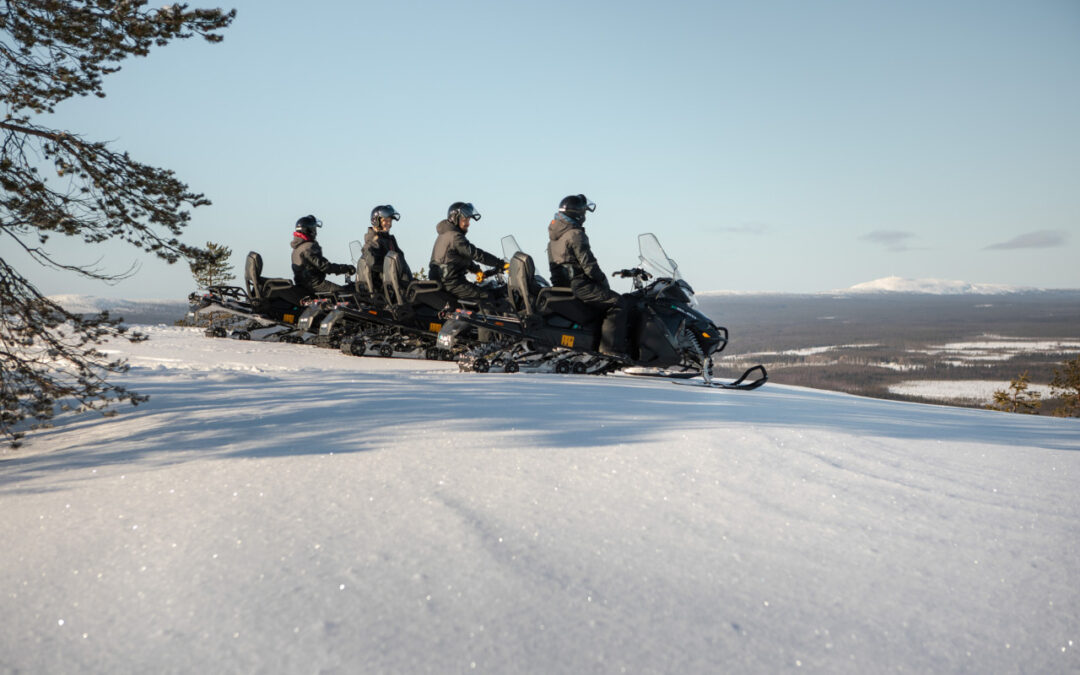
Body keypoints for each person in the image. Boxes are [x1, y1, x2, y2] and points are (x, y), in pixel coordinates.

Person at [546, 194, 632, 357]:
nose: (585, 216)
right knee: (618, 302)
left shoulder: (554, 237)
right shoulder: (575, 234)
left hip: (563, 285)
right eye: (583, 212)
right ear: (578, 213)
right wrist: (602, 281)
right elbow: (589, 264)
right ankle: (611, 351)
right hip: (580, 284)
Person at [429, 201, 505, 307]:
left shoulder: (447, 234)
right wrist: (500, 263)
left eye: (468, 220)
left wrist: (477, 270)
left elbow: (459, 258)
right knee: (487, 297)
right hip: (451, 282)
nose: (468, 223)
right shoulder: (454, 236)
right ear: (455, 218)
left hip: (447, 280)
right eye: (465, 220)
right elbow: (475, 253)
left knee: (483, 291)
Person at [290, 214, 355, 294]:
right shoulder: (309, 247)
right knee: (347, 294)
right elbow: (325, 266)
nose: (315, 231)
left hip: (302, 285)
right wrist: (346, 268)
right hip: (316, 285)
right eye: (314, 228)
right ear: (309, 230)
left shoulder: (296, 249)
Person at [362, 204, 404, 292]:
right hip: (386, 287)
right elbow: (373, 262)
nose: (389, 223)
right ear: (376, 221)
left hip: (400, 283)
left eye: (390, 221)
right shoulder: (373, 240)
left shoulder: (389, 240)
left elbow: (401, 262)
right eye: (385, 220)